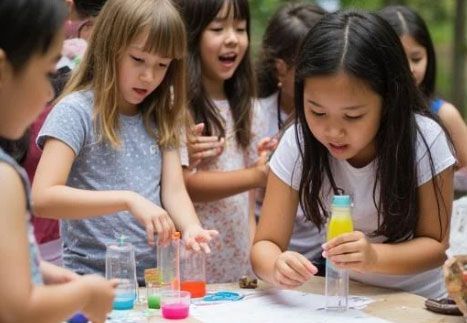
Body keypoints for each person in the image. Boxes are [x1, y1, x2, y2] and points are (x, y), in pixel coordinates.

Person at [251, 10, 455, 299]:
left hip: (418, 300)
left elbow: (435, 245)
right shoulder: (298, 141)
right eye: (317, 111)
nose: (333, 131)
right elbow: (266, 243)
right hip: (343, 298)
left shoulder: (423, 140)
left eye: (353, 115)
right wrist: (276, 265)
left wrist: (374, 257)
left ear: (388, 101)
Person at [32, 0, 218, 283]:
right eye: (138, 59)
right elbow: (43, 198)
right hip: (89, 281)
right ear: (109, 48)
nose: (149, 76)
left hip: (155, 282)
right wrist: (128, 200)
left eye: (162, 65)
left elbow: (174, 191)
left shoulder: (164, 115)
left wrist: (192, 228)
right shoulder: (75, 111)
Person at [0, 1, 117, 322]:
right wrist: (86, 293)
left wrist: (39, 269)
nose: (49, 95)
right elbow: (17, 310)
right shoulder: (5, 177)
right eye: (48, 73)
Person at [174, 0, 268, 283]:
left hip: (238, 264)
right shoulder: (177, 106)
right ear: (192, 36)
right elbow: (183, 187)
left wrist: (253, 257)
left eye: (240, 29)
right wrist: (257, 175)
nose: (232, 39)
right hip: (190, 264)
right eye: (217, 28)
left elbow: (249, 204)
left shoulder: (251, 109)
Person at [255, 2, 326, 274]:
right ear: (280, 68)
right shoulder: (253, 117)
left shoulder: (336, 124)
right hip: (272, 257)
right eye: (308, 68)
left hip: (324, 253)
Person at [379, 5, 467, 172]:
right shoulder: (368, 114)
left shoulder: (445, 115)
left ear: (429, 56)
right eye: (399, 59)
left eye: (416, 58)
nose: (410, 68)